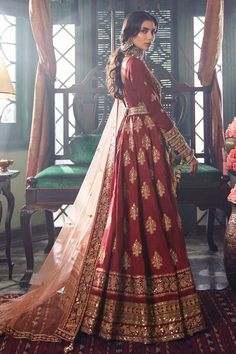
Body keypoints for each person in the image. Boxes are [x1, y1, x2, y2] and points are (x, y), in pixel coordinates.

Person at [0, 10, 204, 351]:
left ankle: (114, 303)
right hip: (142, 144)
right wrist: (185, 151)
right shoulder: (135, 64)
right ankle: (147, 305)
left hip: (135, 142)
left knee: (133, 217)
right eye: (143, 31)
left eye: (152, 31)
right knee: (147, 214)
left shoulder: (126, 61)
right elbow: (155, 111)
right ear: (130, 33)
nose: (150, 37)